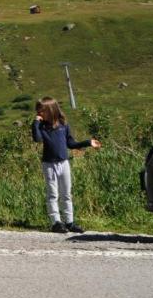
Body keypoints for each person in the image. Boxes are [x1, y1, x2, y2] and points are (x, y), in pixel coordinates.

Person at [32, 97, 101, 233]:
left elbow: (71, 144)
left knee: (66, 194)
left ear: (51, 110)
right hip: (49, 164)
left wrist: (88, 142)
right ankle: (56, 223)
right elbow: (37, 139)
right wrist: (35, 123)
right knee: (53, 194)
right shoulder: (41, 126)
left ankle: (69, 222)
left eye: (41, 112)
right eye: (38, 112)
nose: (39, 114)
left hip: (64, 163)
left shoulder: (63, 125)